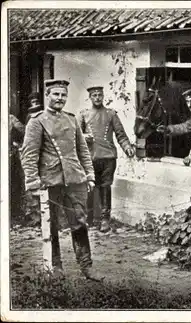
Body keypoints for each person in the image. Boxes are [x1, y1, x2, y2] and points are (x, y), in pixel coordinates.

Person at [21, 79, 103, 281]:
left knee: (80, 222)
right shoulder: (37, 121)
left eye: (63, 95)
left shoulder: (72, 119)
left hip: (75, 180)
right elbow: (29, 154)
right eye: (56, 94)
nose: (60, 98)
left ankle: (86, 266)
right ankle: (56, 268)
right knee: (52, 226)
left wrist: (90, 175)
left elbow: (82, 150)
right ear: (47, 96)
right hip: (51, 181)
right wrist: (32, 182)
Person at [77, 86, 135, 232]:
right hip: (90, 157)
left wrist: (127, 146)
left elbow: (120, 134)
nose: (97, 98)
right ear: (90, 97)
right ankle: (89, 219)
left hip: (108, 156)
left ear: (103, 96)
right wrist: (83, 137)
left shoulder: (111, 114)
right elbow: (75, 134)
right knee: (89, 186)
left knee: (105, 187)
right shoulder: (83, 115)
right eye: (94, 95)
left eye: (99, 95)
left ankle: (104, 219)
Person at [9, 113, 26, 223]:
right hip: (9, 154)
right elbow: (24, 131)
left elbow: (24, 131)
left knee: (13, 184)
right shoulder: (10, 118)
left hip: (9, 154)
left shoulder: (10, 118)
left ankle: (13, 214)